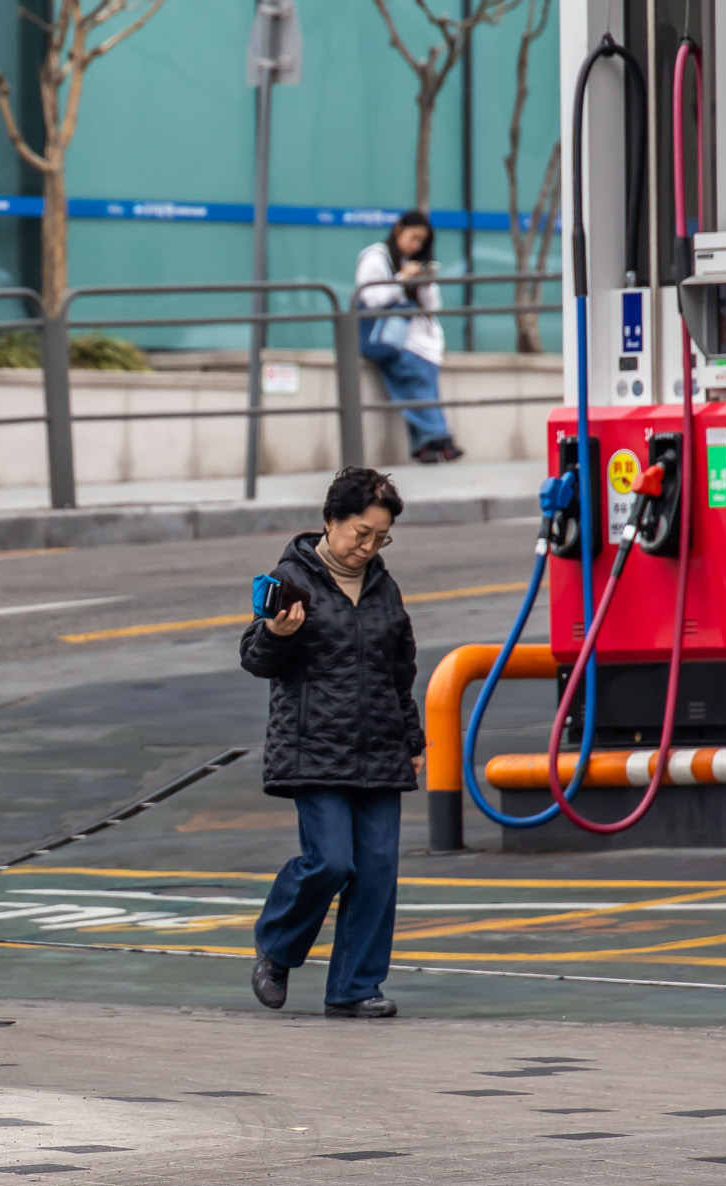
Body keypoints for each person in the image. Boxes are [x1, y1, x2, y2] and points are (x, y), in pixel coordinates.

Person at [240, 467, 423, 1019]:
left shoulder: (383, 587)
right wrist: (277, 633)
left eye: (380, 537)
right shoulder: (292, 578)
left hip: (380, 748)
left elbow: (400, 671)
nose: (368, 546)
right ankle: (276, 948)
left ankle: (354, 988)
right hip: (313, 748)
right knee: (330, 862)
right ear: (331, 521)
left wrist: (412, 738)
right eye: (360, 533)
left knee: (376, 872)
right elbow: (254, 657)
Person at [355, 212, 461, 463]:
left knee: (418, 389)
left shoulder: (410, 261)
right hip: (395, 341)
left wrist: (425, 282)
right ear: (398, 229)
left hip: (418, 342)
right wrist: (404, 278)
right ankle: (440, 438)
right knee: (418, 387)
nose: (416, 245)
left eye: (421, 241)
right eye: (413, 237)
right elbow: (371, 298)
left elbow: (432, 308)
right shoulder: (376, 257)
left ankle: (426, 447)